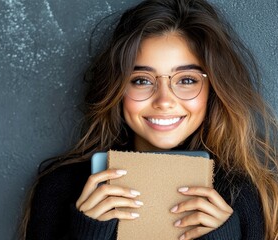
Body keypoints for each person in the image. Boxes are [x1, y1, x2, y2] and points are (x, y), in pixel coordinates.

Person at [20, 0, 278, 239]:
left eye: (186, 80)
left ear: (214, 90)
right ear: (118, 89)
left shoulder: (241, 195)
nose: (164, 100)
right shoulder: (59, 190)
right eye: (142, 80)